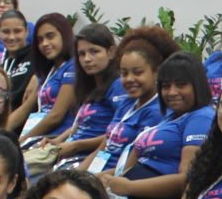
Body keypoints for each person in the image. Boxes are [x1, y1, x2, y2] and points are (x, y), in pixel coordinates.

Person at [107, 50, 213, 199]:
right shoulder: (171, 116)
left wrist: (129, 187)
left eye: (181, 85)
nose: (172, 92)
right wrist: (108, 179)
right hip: (127, 195)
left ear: (197, 84)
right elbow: (128, 168)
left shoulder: (201, 118)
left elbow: (186, 181)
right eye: (166, 86)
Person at [62, 28, 172, 172]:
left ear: (156, 72)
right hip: (94, 174)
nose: (129, 79)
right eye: (124, 73)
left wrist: (90, 181)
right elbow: (103, 147)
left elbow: (132, 167)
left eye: (138, 72)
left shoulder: (156, 112)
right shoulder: (128, 103)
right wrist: (77, 174)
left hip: (113, 181)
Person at [37, 24, 121, 162]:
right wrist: (58, 141)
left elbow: (119, 134)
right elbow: (80, 125)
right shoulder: (89, 85)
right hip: (70, 153)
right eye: (81, 54)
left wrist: (76, 146)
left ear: (111, 52)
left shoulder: (117, 86)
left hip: (89, 157)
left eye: (94, 51)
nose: (87, 59)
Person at [12, 13, 75, 142]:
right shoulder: (49, 71)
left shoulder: (72, 67)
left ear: (65, 35)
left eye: (50, 36)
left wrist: (22, 141)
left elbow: (56, 116)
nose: (44, 44)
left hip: (57, 139)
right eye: (40, 40)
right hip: (39, 138)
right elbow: (25, 109)